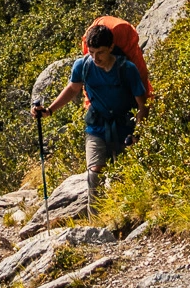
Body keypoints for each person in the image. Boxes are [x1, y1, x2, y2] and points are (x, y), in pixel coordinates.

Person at [32, 21, 148, 213]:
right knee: (94, 172)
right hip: (96, 124)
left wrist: (137, 133)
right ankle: (96, 220)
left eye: (100, 52)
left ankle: (124, 215)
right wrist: (50, 110)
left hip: (125, 125)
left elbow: (142, 105)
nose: (95, 57)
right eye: (91, 52)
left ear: (111, 47)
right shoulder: (83, 65)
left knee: (124, 173)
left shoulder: (127, 69)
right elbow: (72, 89)